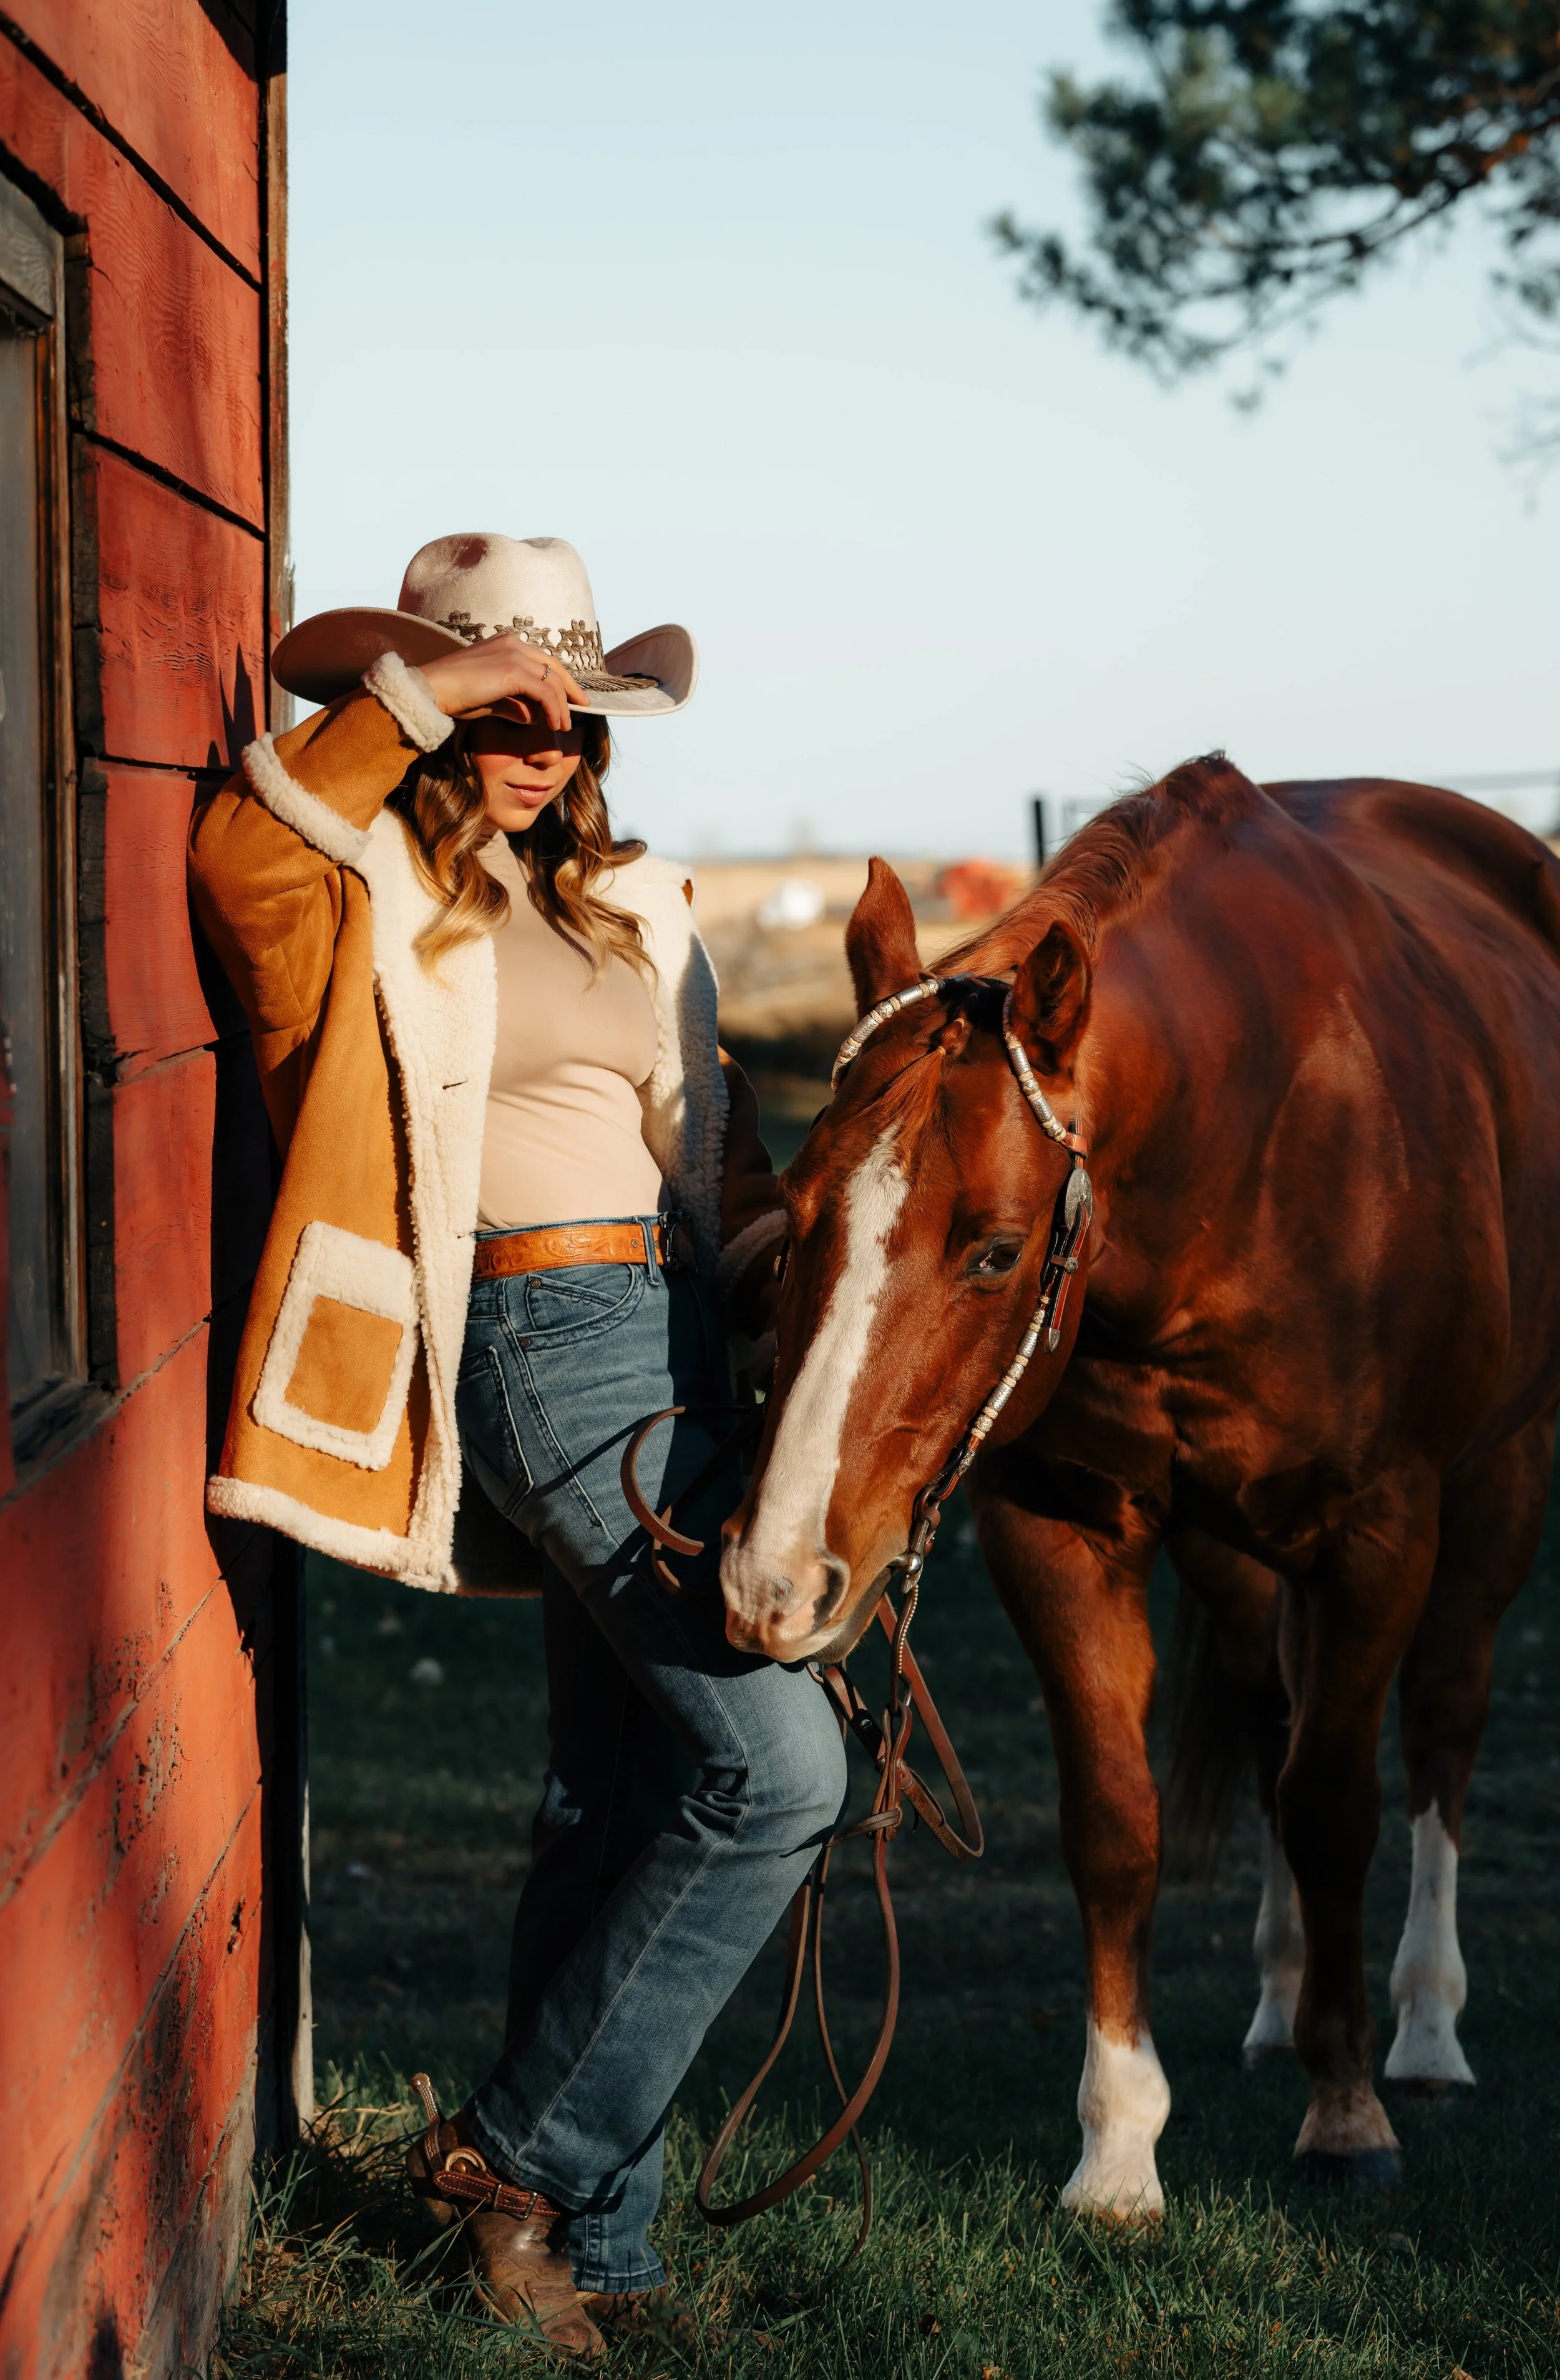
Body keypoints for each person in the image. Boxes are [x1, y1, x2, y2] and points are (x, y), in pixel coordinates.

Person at [189, 533, 847, 2358]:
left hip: (675, 1336)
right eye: (513, 707)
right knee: (778, 1774)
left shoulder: (640, 905)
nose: (549, 740)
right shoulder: (365, 879)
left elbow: (709, 1158)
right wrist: (426, 698)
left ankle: (590, 2255)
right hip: (534, 1339)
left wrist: (795, 1267)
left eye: (576, 710)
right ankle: (511, 2152)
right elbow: (242, 847)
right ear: (440, 706)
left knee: (620, 1793)